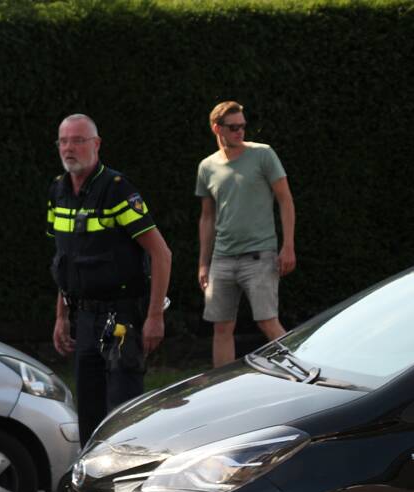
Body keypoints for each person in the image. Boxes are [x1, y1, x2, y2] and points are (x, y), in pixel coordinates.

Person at [48, 114, 172, 448]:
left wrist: (155, 315)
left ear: (97, 144)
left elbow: (162, 254)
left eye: (78, 140)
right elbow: (64, 261)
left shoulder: (117, 190)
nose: (70, 148)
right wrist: (61, 316)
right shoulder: (59, 191)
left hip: (121, 318)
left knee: (123, 413)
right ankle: (91, 484)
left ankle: (126, 483)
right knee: (87, 411)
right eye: (64, 141)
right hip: (83, 317)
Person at [196, 101, 296, 367]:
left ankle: (303, 371)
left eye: (242, 126)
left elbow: (285, 200)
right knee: (221, 328)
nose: (240, 131)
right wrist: (204, 263)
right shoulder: (207, 166)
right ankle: (221, 391)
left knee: (267, 322)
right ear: (217, 128)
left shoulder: (263, 155)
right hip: (222, 259)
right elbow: (207, 217)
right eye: (233, 127)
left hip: (260, 255)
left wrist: (288, 246)